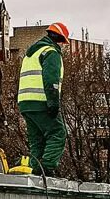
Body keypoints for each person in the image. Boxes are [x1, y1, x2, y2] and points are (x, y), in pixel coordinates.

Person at [16, 22, 70, 176]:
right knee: (58, 133)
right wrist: (53, 103)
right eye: (62, 42)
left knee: (37, 140)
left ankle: (35, 169)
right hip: (41, 102)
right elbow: (50, 80)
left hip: (26, 104)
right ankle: (46, 168)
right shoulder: (51, 52)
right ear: (59, 39)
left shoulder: (31, 54)